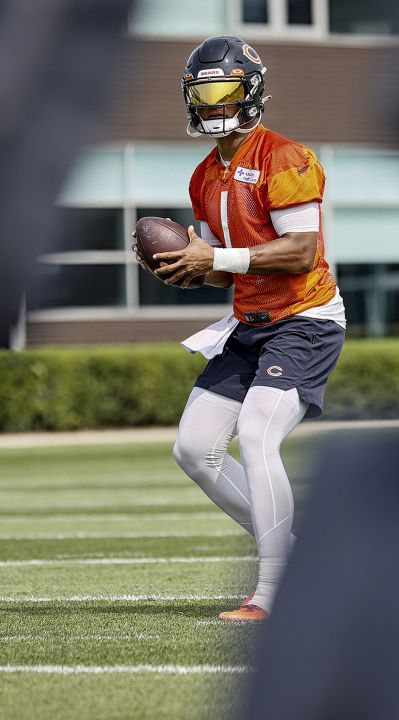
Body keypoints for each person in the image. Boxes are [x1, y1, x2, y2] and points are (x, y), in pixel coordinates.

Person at [131, 35, 347, 622]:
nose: (213, 104)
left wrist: (215, 261)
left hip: (304, 319)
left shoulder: (286, 157)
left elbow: (301, 252)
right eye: (203, 93)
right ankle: (301, 555)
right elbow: (223, 266)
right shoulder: (203, 176)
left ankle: (276, 586)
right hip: (248, 324)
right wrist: (187, 271)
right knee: (194, 449)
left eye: (224, 90)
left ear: (250, 91)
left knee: (255, 435)